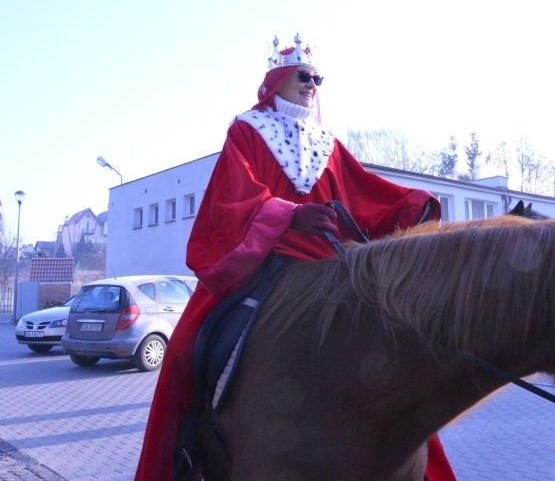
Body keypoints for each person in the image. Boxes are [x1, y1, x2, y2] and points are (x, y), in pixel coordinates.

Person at [135, 34, 456, 481]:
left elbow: (360, 193)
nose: (312, 84)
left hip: (329, 263)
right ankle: (186, 458)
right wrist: (289, 216)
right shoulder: (246, 131)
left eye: (317, 78)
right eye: (304, 75)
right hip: (263, 261)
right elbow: (232, 197)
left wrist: (410, 204)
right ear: (278, 79)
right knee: (184, 352)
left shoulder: (328, 143)